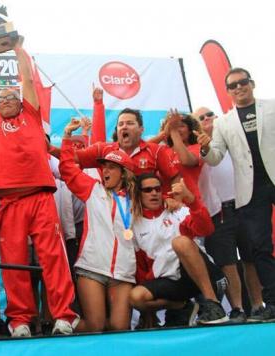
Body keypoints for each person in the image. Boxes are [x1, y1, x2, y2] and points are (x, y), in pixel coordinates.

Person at [0, 39, 78, 337]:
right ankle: (19, 320)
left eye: (11, 97)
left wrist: (18, 49)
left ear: (22, 102)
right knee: (13, 263)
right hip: (8, 202)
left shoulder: (31, 117)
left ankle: (64, 316)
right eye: (1, 98)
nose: (5, 100)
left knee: (53, 259)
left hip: (41, 197)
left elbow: (28, 79)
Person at [197, 67, 275, 321]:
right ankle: (272, 303)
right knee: (260, 248)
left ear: (252, 84)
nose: (239, 87)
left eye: (243, 82)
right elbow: (216, 156)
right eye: (233, 85)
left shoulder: (271, 107)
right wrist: (206, 148)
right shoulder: (223, 122)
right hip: (251, 193)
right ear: (228, 91)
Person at [60, 118, 136, 331]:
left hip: (123, 273)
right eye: (104, 167)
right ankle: (64, 327)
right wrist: (66, 137)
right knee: (96, 325)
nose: (105, 171)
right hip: (91, 267)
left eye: (112, 167)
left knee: (120, 328)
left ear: (124, 172)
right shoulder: (93, 189)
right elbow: (67, 169)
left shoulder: (137, 199)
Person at [129, 174, 229, 325]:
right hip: (171, 282)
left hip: (202, 275)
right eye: (148, 190)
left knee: (180, 242)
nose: (154, 193)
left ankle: (213, 305)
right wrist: (147, 315)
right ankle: (182, 306)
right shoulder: (134, 224)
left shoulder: (177, 210)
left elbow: (206, 229)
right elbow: (141, 268)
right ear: (138, 194)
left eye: (157, 189)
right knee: (135, 297)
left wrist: (191, 201)